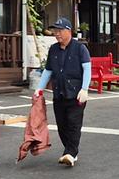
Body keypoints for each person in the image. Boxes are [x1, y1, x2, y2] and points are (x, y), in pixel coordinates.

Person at [33, 18, 91, 167]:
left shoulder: (80, 48)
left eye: (59, 31)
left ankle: (71, 153)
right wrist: (39, 88)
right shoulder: (53, 49)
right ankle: (70, 150)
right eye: (55, 31)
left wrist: (84, 89)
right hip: (59, 93)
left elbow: (87, 69)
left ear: (68, 31)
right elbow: (48, 70)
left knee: (73, 124)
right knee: (62, 125)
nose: (56, 34)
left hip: (76, 94)